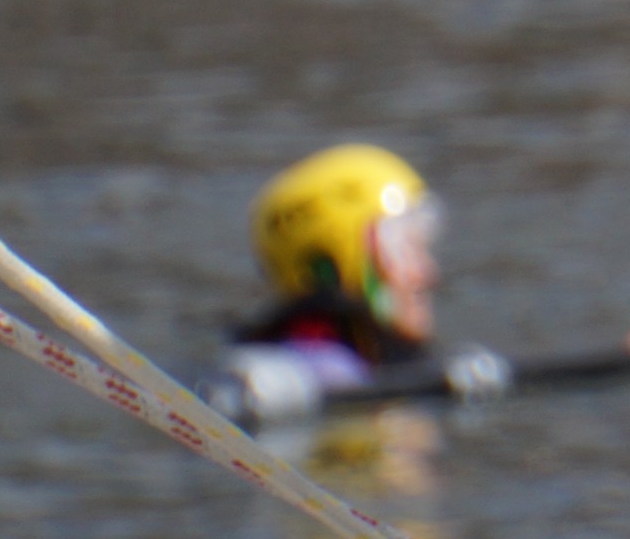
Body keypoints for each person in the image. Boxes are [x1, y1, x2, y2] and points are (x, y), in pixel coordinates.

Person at [213, 143, 497, 421]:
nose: (428, 274)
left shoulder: (376, 366)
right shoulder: (325, 371)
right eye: (408, 249)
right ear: (350, 258)